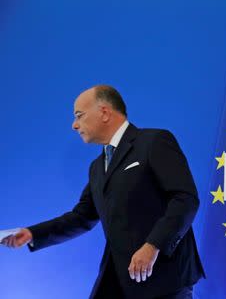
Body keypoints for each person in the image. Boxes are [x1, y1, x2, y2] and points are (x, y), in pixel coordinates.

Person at [1, 85, 205, 299]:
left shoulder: (154, 141)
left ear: (105, 112)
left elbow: (184, 198)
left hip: (165, 279)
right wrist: (32, 233)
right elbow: (81, 217)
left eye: (79, 115)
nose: (74, 125)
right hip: (119, 279)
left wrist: (152, 245)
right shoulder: (97, 167)